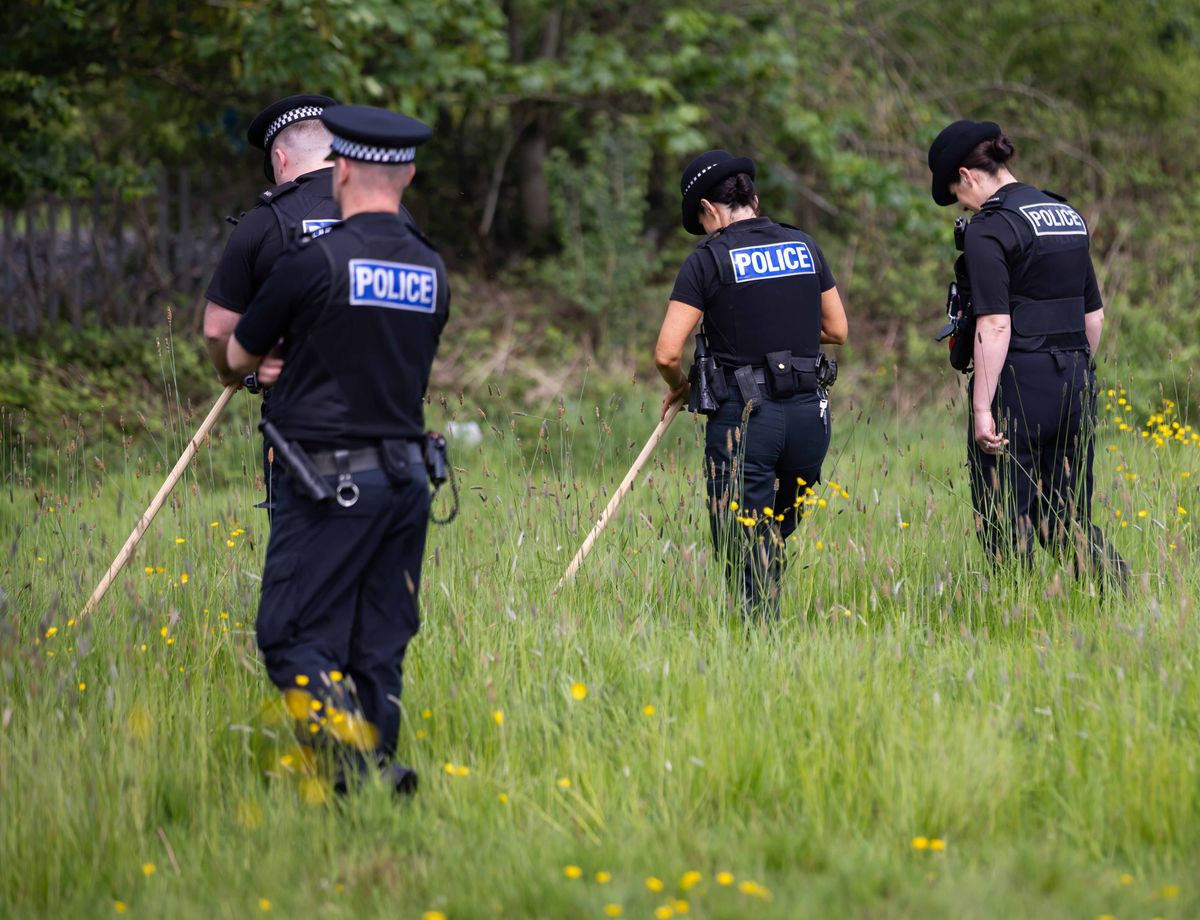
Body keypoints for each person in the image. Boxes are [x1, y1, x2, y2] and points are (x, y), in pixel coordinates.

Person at [226, 104, 449, 794]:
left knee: (291, 636)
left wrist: (269, 358)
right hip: (408, 481)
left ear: (342, 170)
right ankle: (378, 771)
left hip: (329, 482)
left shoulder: (312, 261)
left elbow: (237, 354)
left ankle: (352, 769)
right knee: (377, 642)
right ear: (408, 175)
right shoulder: (432, 269)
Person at [927, 119, 1126, 581]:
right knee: (1068, 520)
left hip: (1018, 383)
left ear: (968, 175)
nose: (963, 204)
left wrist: (982, 408)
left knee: (1003, 519)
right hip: (1076, 379)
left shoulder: (989, 227)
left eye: (957, 193)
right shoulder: (1066, 214)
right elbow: (1094, 317)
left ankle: (1016, 607)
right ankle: (1119, 594)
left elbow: (995, 323)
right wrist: (1077, 373)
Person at [654, 150, 849, 612]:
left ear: (708, 208)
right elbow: (838, 330)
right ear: (753, 199)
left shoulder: (708, 260)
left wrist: (680, 384)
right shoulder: (804, 246)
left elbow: (666, 353)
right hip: (810, 417)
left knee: (741, 541)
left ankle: (760, 636)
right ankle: (769, 622)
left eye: (702, 221)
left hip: (745, 420)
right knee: (773, 532)